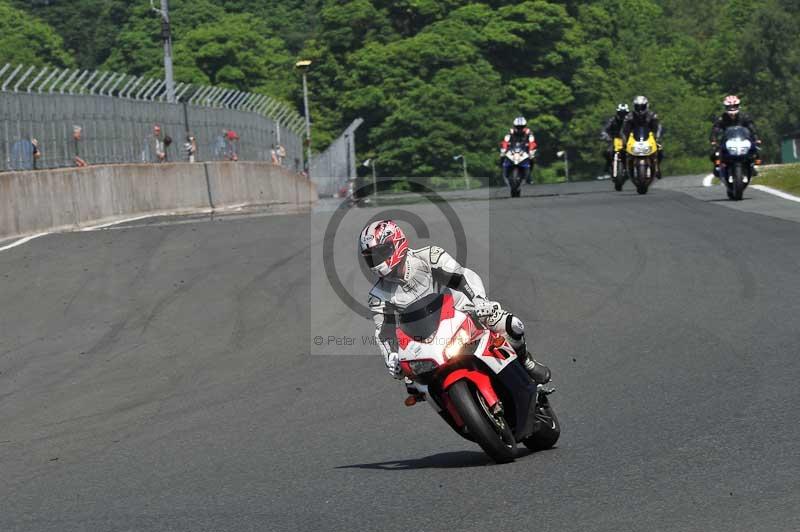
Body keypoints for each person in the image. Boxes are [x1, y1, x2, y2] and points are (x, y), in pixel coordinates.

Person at [360, 220, 551, 389]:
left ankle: (526, 362)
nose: (377, 261)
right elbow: (383, 333)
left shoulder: (428, 256)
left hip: (463, 312)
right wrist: (391, 358)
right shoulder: (378, 296)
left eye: (381, 252)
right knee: (413, 384)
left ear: (397, 243)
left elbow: (461, 277)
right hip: (425, 340)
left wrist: (479, 301)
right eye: (371, 257)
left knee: (510, 324)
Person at [709, 95, 761, 176]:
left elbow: (752, 128)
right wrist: (713, 140)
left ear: (738, 106)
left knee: (755, 149)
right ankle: (717, 167)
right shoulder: (721, 118)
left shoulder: (745, 116)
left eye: (734, 106)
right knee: (715, 153)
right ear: (725, 107)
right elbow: (715, 129)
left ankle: (753, 166)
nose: (732, 108)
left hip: (742, 139)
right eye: (730, 106)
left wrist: (756, 138)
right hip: (727, 140)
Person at [500, 116, 537, 184]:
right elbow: (505, 140)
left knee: (532, 158)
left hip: (525, 150)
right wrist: (504, 148)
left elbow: (532, 142)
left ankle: (529, 175)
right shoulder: (510, 132)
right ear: (514, 126)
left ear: (525, 126)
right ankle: (503, 171)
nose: (519, 129)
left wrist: (531, 149)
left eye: (521, 127)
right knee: (502, 155)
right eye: (518, 127)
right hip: (512, 150)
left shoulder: (529, 132)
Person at [601, 104, 629, 173]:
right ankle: (608, 164)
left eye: (624, 113)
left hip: (627, 140)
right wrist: (605, 136)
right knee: (607, 152)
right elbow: (605, 129)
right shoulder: (612, 120)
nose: (623, 115)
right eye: (621, 113)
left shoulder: (630, 121)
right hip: (614, 139)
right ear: (617, 112)